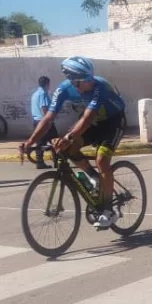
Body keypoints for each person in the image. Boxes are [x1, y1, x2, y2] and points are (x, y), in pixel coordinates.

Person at [20, 56, 126, 228]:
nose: (91, 82)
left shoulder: (100, 87)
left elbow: (87, 118)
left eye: (91, 78)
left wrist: (67, 137)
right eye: (86, 81)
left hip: (113, 121)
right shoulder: (64, 89)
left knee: (102, 160)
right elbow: (48, 118)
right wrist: (30, 141)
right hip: (92, 122)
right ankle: (94, 178)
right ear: (74, 82)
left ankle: (109, 210)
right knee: (67, 148)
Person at [30, 76, 59, 169]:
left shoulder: (35, 94)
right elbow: (44, 108)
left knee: (40, 142)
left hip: (36, 121)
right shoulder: (43, 94)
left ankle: (39, 161)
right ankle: (57, 160)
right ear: (47, 84)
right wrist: (49, 120)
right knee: (55, 140)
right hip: (44, 121)